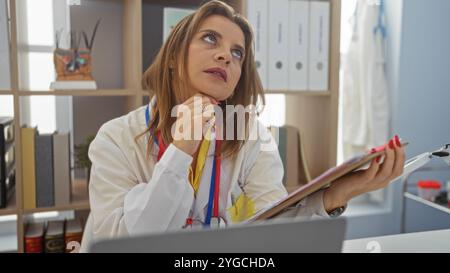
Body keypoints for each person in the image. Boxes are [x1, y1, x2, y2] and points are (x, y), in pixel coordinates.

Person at [79, 1, 405, 250]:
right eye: (210, 39)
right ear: (173, 57)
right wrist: (180, 151)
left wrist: (337, 194)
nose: (226, 57)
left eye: (237, 53)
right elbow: (124, 245)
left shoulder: (249, 138)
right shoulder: (116, 139)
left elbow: (274, 226)